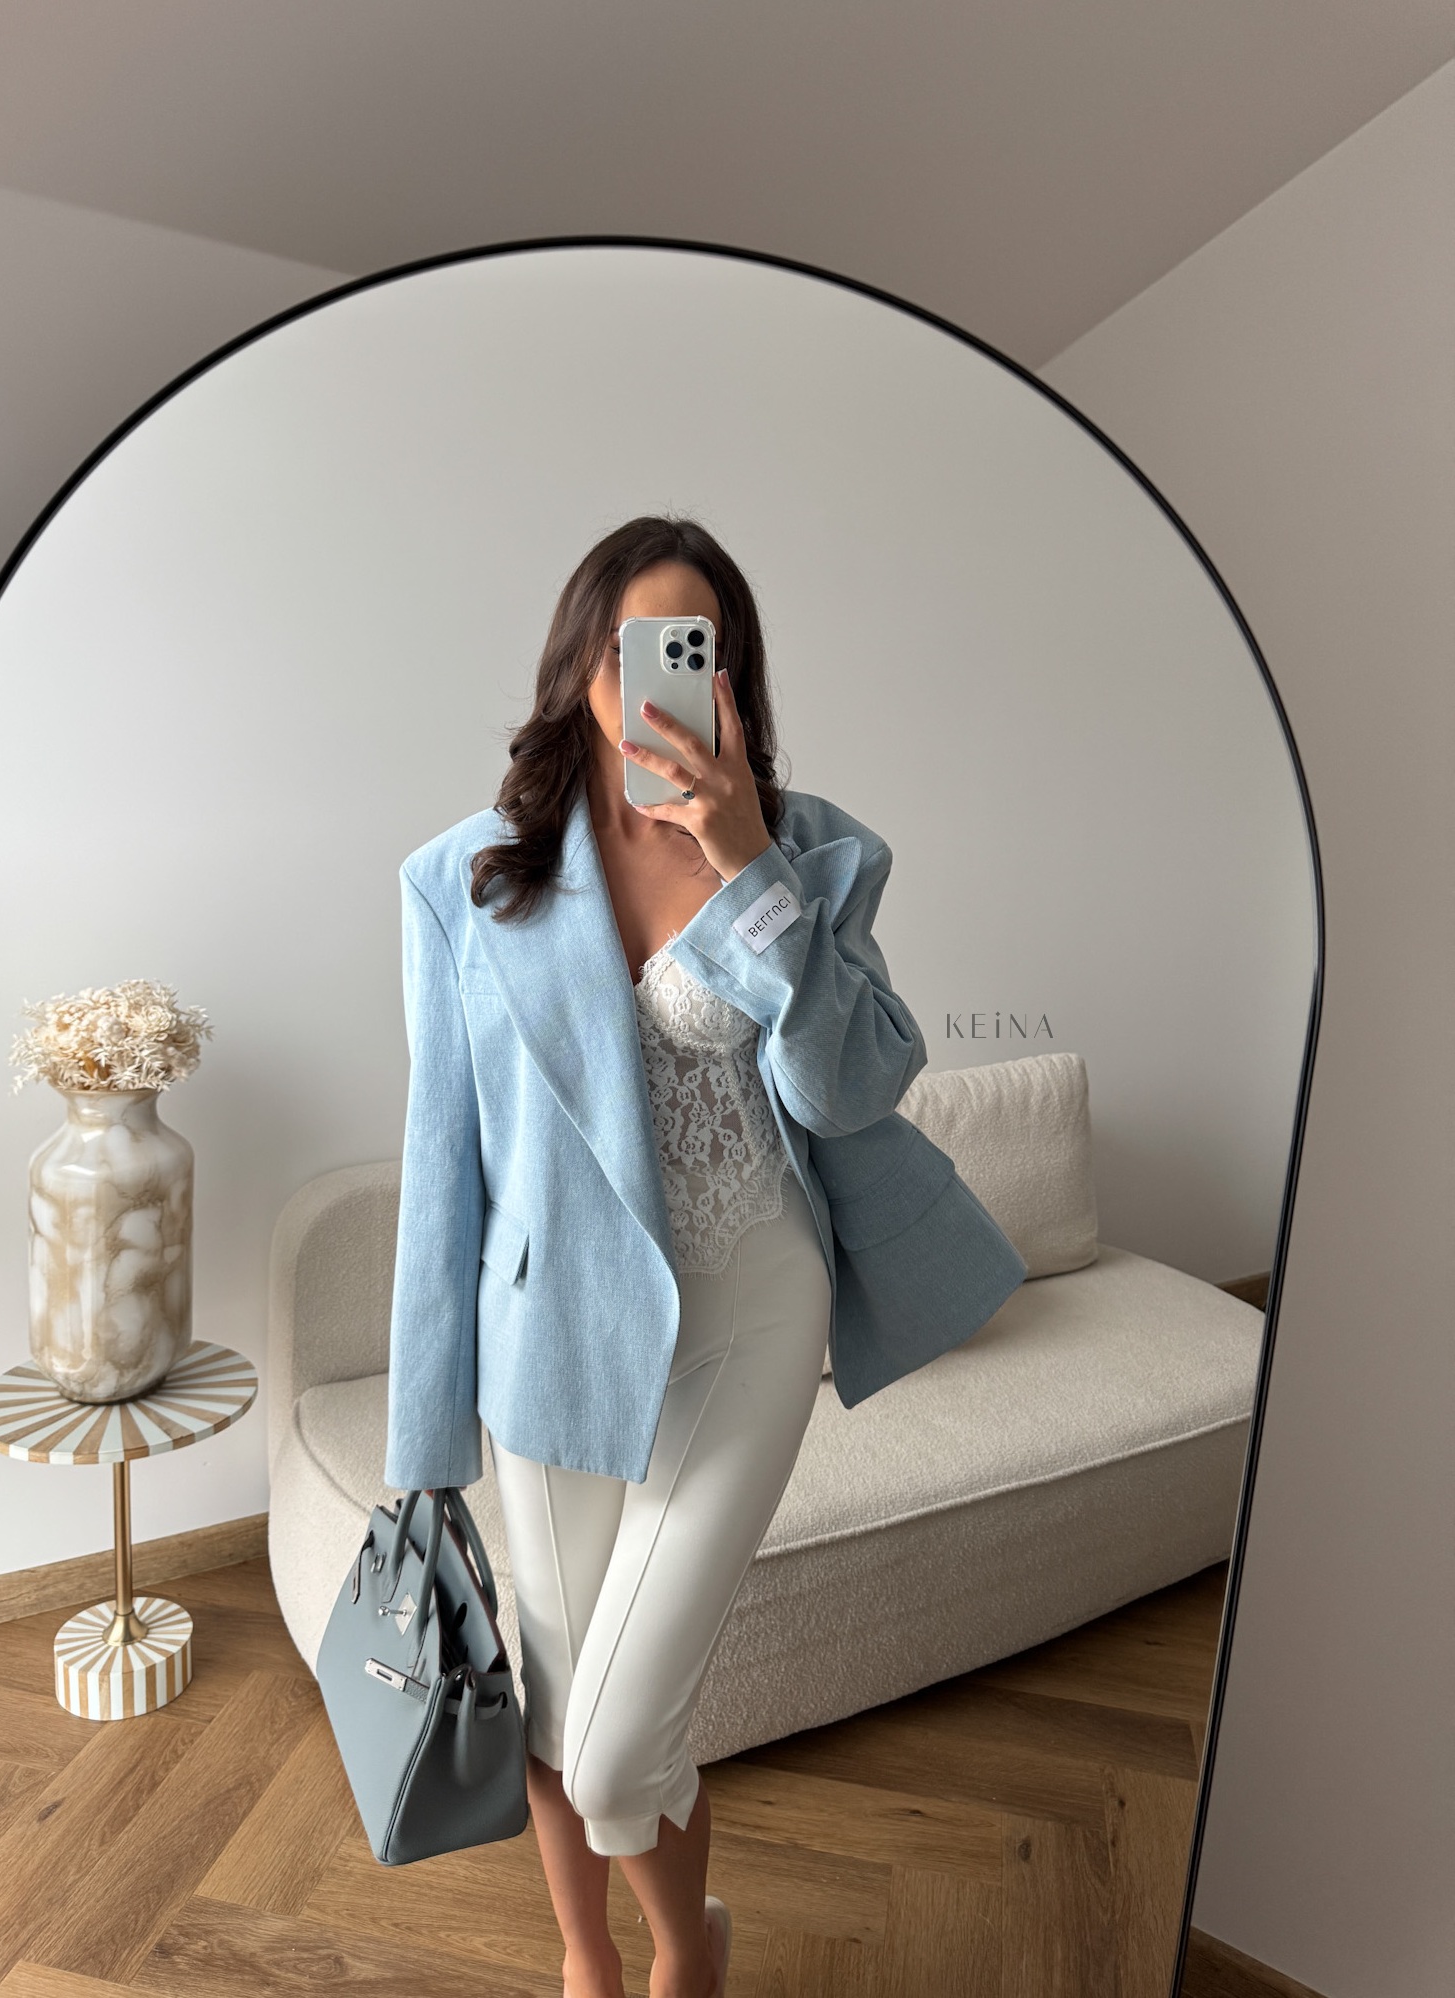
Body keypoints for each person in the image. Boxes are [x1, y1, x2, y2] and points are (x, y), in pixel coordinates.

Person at [384, 516, 1022, 1998]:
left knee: (618, 1742)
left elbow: (857, 1086)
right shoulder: (462, 878)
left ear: (733, 676)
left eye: (698, 650)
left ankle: (689, 1949)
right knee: (559, 1705)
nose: (663, 682)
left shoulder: (811, 847)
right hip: (551, 1335)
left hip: (752, 1308)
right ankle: (599, 1966)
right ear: (581, 666)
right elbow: (441, 1159)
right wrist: (423, 1440)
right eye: (635, 650)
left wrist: (747, 872)